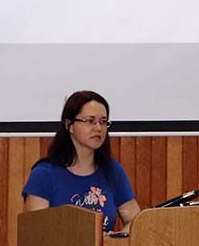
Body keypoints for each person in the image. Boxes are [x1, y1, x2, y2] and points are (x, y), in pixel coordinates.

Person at [22, 90, 141, 232]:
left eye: (103, 122)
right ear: (69, 125)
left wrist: (116, 239)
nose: (98, 128)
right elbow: (35, 233)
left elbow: (135, 222)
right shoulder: (44, 174)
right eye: (90, 121)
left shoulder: (112, 171)